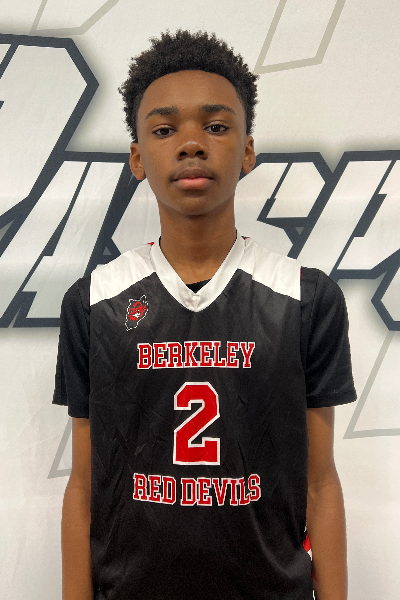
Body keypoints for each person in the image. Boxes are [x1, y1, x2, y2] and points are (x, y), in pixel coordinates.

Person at [53, 29, 357, 600]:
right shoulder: (94, 302)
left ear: (247, 151)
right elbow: (83, 487)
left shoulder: (307, 298)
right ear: (138, 158)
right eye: (165, 129)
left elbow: (320, 484)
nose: (191, 143)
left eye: (216, 127)